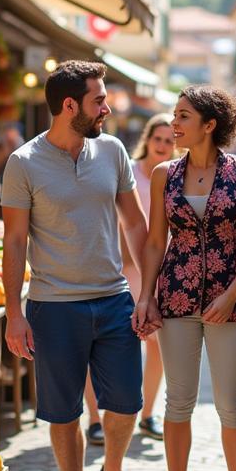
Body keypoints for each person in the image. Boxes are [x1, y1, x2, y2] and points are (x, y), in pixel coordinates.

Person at [1, 61, 150, 471]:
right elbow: (14, 241)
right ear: (70, 106)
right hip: (54, 305)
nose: (107, 108)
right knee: (63, 411)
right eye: (99, 100)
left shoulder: (112, 150)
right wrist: (14, 314)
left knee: (127, 402)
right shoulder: (23, 163)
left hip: (113, 299)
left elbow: (135, 224)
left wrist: (148, 291)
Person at [133, 87, 236, 471]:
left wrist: (232, 294)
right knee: (178, 402)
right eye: (174, 116)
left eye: (183, 116)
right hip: (175, 296)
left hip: (229, 300)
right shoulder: (163, 175)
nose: (174, 124)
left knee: (232, 404)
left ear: (210, 125)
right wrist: (146, 296)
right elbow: (156, 242)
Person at [85, 112, 174, 446]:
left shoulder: (175, 176)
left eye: (169, 140)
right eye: (158, 138)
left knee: (156, 344)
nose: (163, 145)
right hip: (123, 268)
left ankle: (148, 414)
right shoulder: (128, 171)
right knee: (104, 343)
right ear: (147, 139)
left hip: (160, 269)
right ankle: (95, 419)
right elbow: (115, 217)